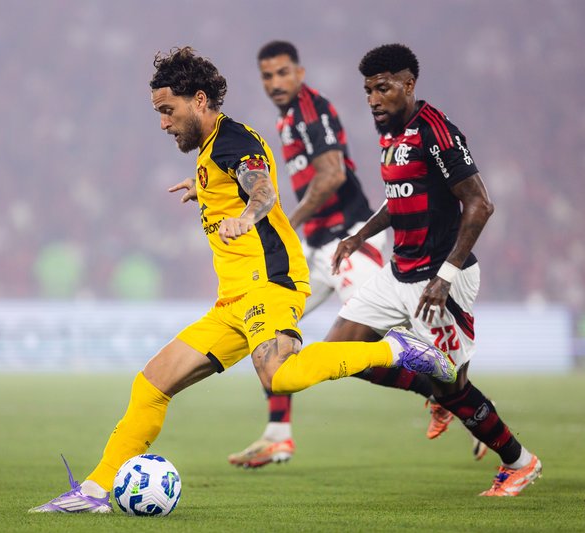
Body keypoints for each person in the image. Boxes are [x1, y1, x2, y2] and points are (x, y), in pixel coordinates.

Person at [29, 46, 456, 513]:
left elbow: (262, 186)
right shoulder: (213, 152)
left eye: (167, 111)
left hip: (270, 284)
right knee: (151, 383)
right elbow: (238, 180)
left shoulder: (232, 140)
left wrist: (249, 215)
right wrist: (206, 188)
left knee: (281, 377)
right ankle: (94, 493)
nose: (163, 123)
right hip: (233, 299)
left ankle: (398, 350)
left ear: (198, 100)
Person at [228, 40, 482, 469]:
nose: (275, 83)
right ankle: (278, 435)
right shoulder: (289, 116)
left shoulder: (312, 111)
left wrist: (284, 221)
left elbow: (331, 174)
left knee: (377, 348)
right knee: (275, 328)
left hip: (346, 242)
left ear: (300, 73)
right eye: (267, 76)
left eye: (283, 73)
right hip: (318, 247)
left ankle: (467, 409)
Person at [327, 43, 540, 497]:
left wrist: (445, 275)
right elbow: (400, 197)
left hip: (441, 280)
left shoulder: (436, 132)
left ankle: (520, 462)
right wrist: (359, 236)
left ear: (408, 85)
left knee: (455, 390)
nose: (373, 100)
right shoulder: (389, 132)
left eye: (382, 89)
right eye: (367, 91)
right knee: (339, 352)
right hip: (398, 272)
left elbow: (480, 204)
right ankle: (434, 391)